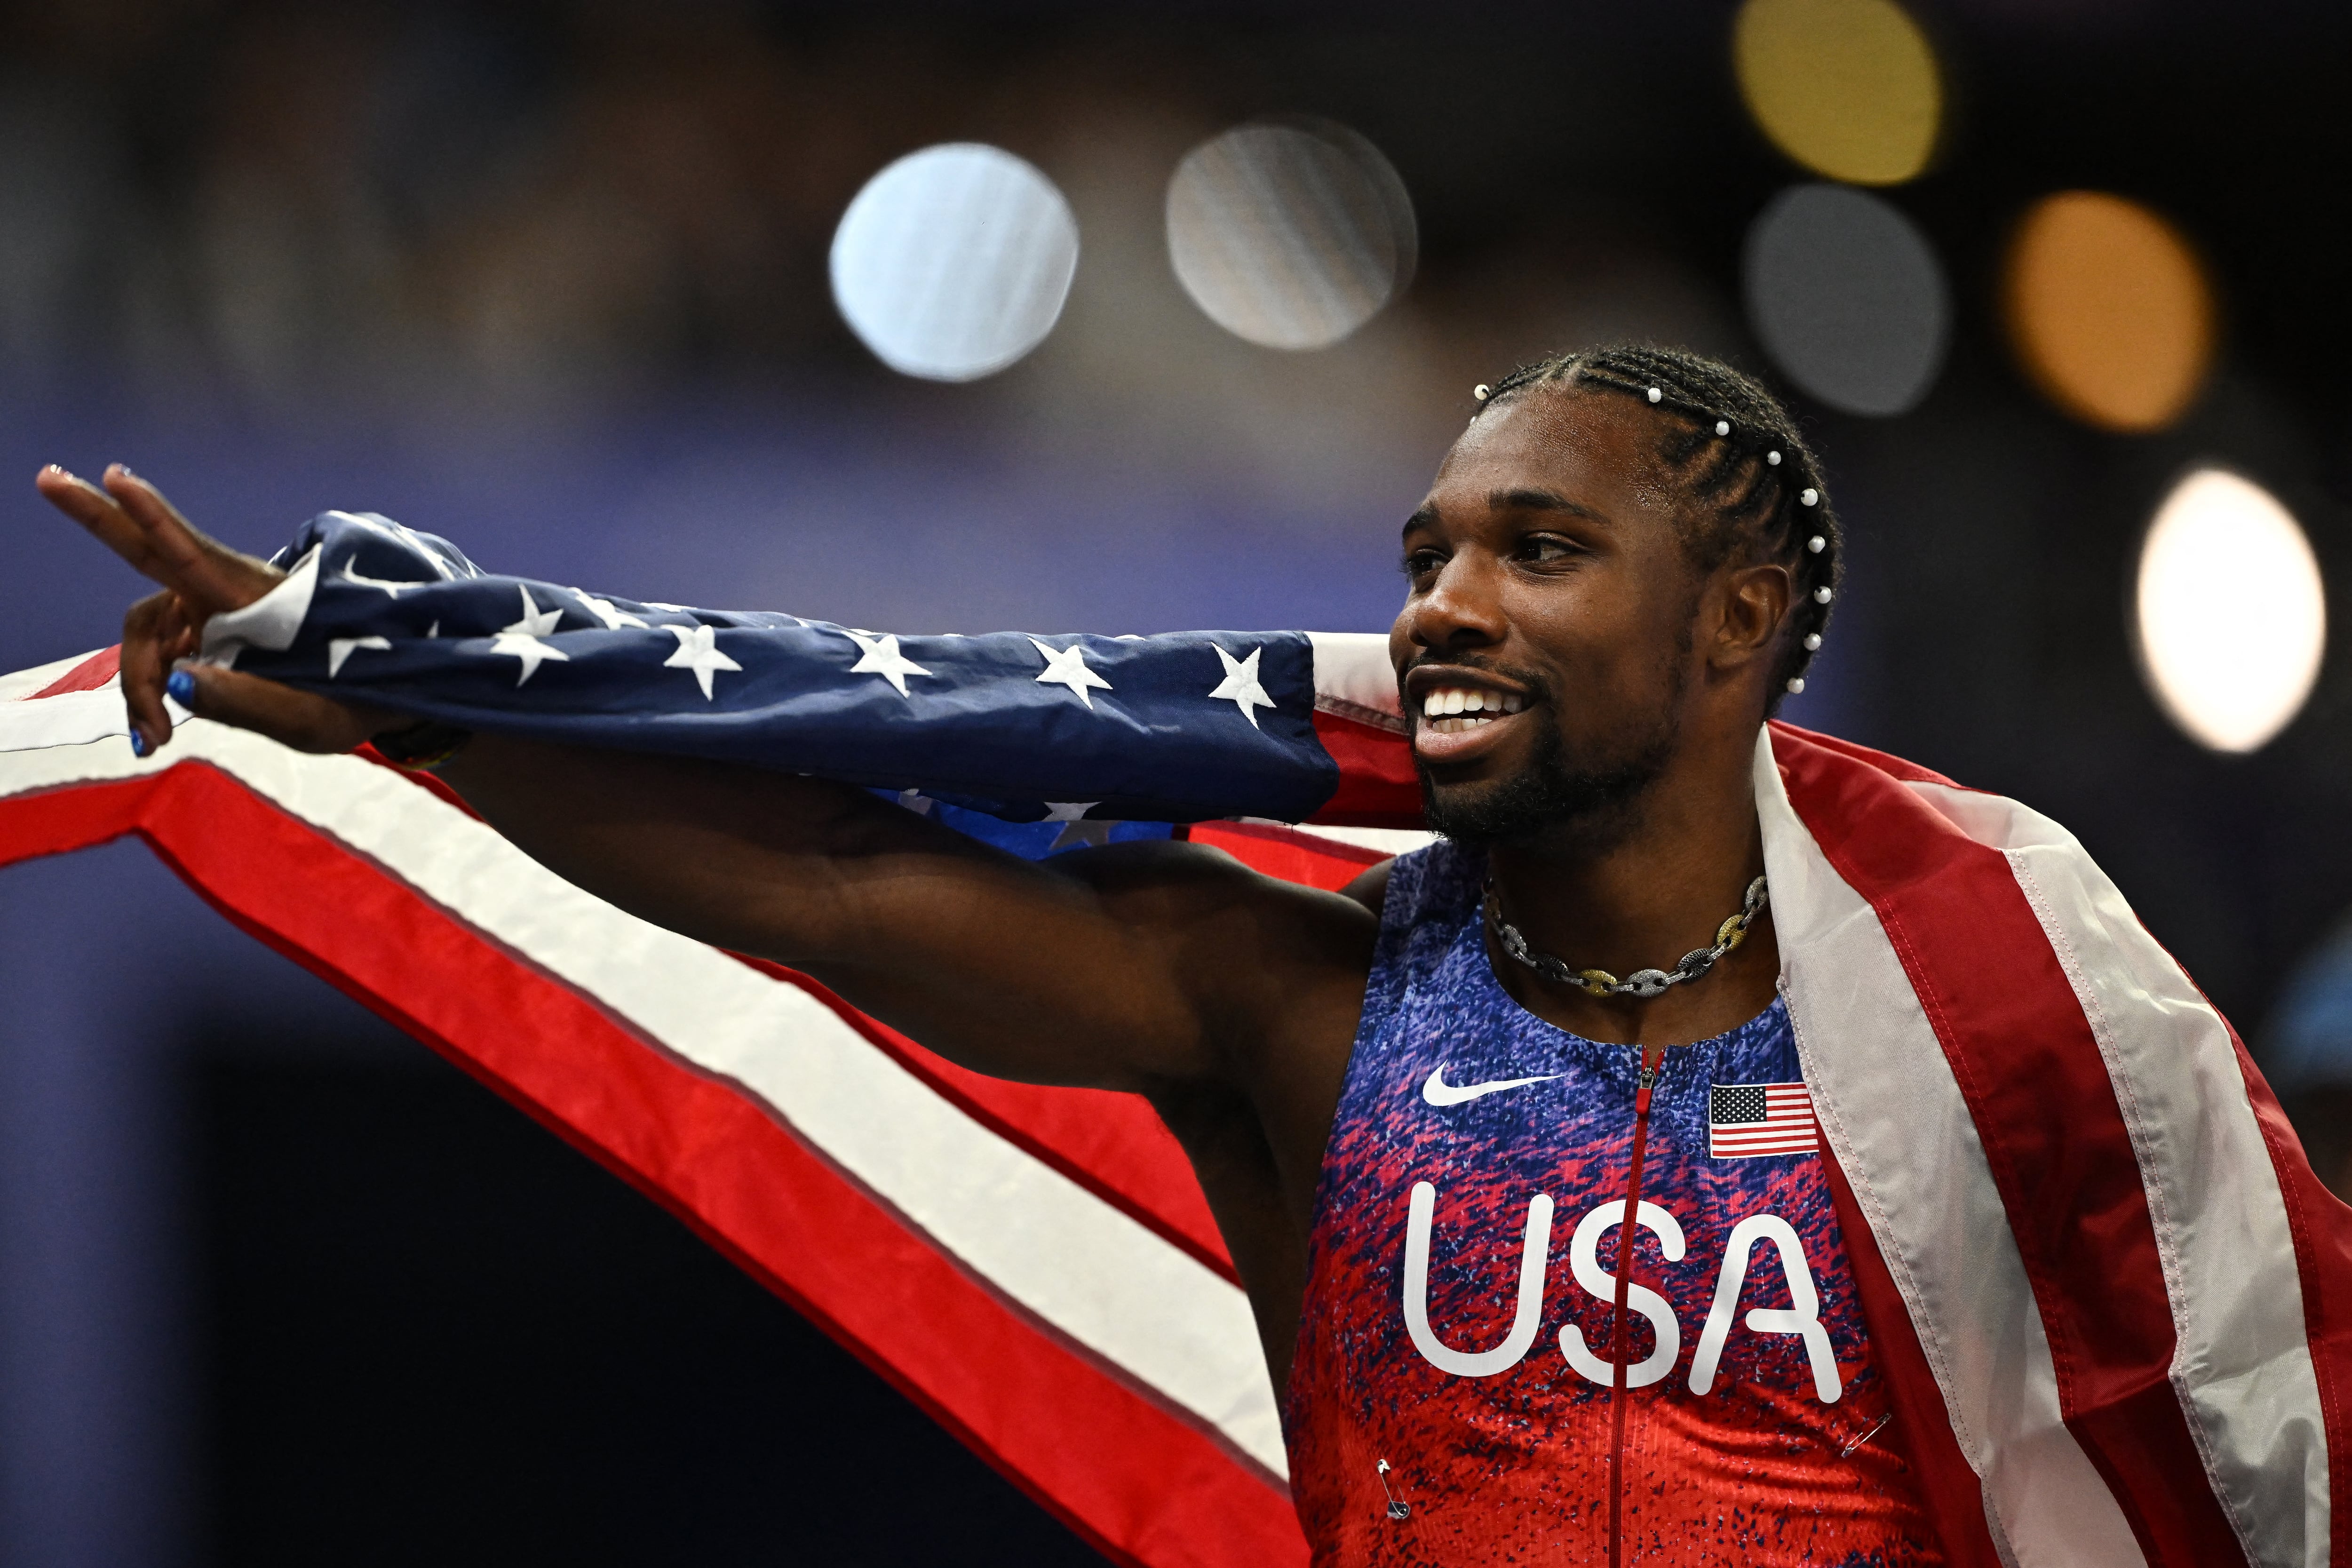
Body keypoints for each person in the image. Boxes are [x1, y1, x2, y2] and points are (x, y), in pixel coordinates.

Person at [40, 346, 2346, 1568]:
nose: (1442, 602)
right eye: (1430, 546)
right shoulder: (1301, 998)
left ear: (1736, 626)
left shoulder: (1982, 1053)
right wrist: (431, 703)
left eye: (1538, 551)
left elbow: (2248, 1429)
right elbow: (823, 876)